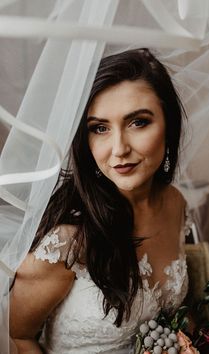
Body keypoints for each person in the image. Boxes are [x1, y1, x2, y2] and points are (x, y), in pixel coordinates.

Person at [9, 48, 191, 354]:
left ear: (169, 125)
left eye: (138, 122)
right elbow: (16, 335)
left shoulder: (175, 203)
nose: (118, 149)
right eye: (100, 128)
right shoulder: (67, 241)